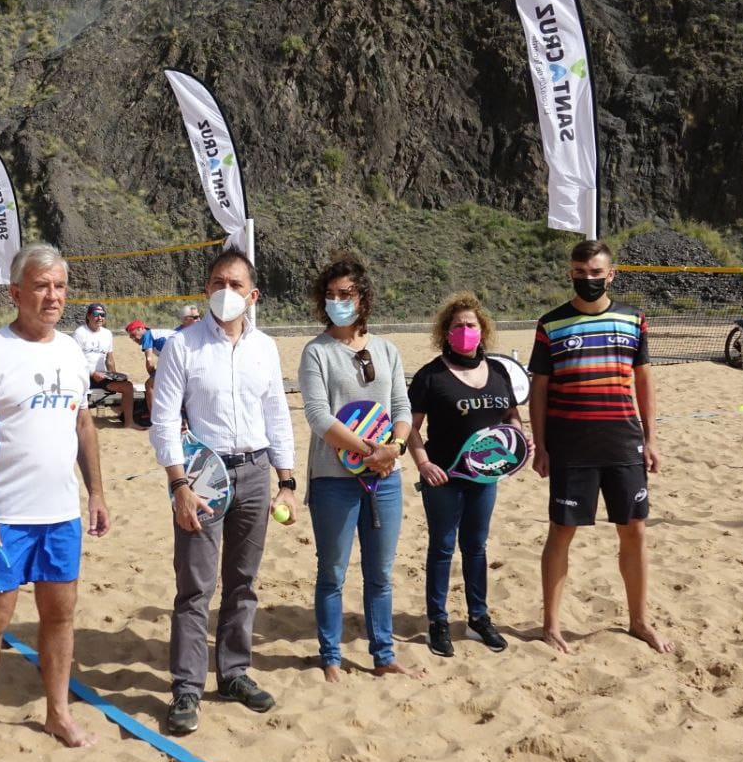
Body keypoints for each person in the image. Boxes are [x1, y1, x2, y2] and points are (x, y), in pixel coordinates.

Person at [0, 242, 110, 762]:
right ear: (16, 292)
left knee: (60, 618)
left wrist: (97, 492)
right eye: (41, 286)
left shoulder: (71, 352)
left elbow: (82, 423)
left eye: (59, 286)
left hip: (60, 514)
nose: (52, 296)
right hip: (5, 516)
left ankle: (57, 712)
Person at [149, 248, 298, 736]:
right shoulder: (183, 346)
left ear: (253, 295)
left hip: (256, 471)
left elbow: (277, 415)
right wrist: (179, 485)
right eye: (217, 283)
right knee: (195, 586)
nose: (225, 292)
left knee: (243, 582)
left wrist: (287, 482)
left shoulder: (265, 348)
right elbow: (165, 419)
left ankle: (234, 673)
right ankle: (187, 688)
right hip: (201, 474)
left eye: (235, 285)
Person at [528, 240, 673, 655]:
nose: (587, 278)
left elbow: (643, 380)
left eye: (595, 272)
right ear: (570, 272)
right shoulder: (551, 323)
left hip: (623, 442)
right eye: (580, 271)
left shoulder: (633, 319)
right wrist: (541, 445)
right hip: (571, 444)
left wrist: (651, 438)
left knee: (634, 531)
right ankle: (551, 625)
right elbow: (539, 389)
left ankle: (639, 621)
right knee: (562, 530)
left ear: (611, 274)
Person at [298, 255, 418, 682]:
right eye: (330, 295)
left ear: (362, 298)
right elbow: (317, 415)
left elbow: (402, 405)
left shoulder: (386, 349)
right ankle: (330, 656)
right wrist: (371, 451)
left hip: (385, 479)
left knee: (380, 574)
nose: (337, 302)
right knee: (331, 572)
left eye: (345, 294)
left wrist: (396, 447)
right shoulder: (317, 351)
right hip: (334, 480)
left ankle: (383, 654)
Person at [407, 293, 523, 657]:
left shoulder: (500, 372)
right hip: (443, 477)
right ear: (445, 332)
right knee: (442, 547)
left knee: (476, 547)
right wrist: (424, 464)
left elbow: (511, 418)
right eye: (457, 325)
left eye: (471, 325)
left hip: (485, 478)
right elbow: (410, 428)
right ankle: (437, 621)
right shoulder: (430, 376)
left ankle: (478, 617)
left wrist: (521, 442)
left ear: (482, 329)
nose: (465, 330)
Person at [72, 302, 145, 430]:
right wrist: (92, 373)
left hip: (102, 376)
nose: (100, 317)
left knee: (127, 387)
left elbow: (110, 359)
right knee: (76, 391)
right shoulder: (80, 333)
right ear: (88, 316)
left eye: (102, 315)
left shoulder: (107, 334)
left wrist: (115, 375)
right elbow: (75, 360)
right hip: (83, 376)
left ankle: (128, 422)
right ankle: (76, 423)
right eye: (96, 314)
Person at [125, 318, 175, 403]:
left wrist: (152, 375)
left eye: (133, 334)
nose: (133, 339)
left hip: (178, 360)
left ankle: (153, 414)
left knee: (149, 385)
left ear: (140, 328)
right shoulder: (156, 333)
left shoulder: (147, 335)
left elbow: (149, 360)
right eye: (131, 337)